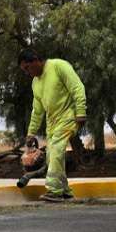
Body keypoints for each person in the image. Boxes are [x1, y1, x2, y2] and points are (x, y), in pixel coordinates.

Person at [18, 48, 86, 202]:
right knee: (52, 157)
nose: (27, 73)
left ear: (35, 59)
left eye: (27, 68)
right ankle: (65, 191)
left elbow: (77, 88)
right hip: (52, 124)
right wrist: (31, 133)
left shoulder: (59, 66)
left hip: (69, 116)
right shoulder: (35, 83)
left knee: (55, 149)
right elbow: (37, 110)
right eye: (24, 70)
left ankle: (54, 190)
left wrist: (81, 111)